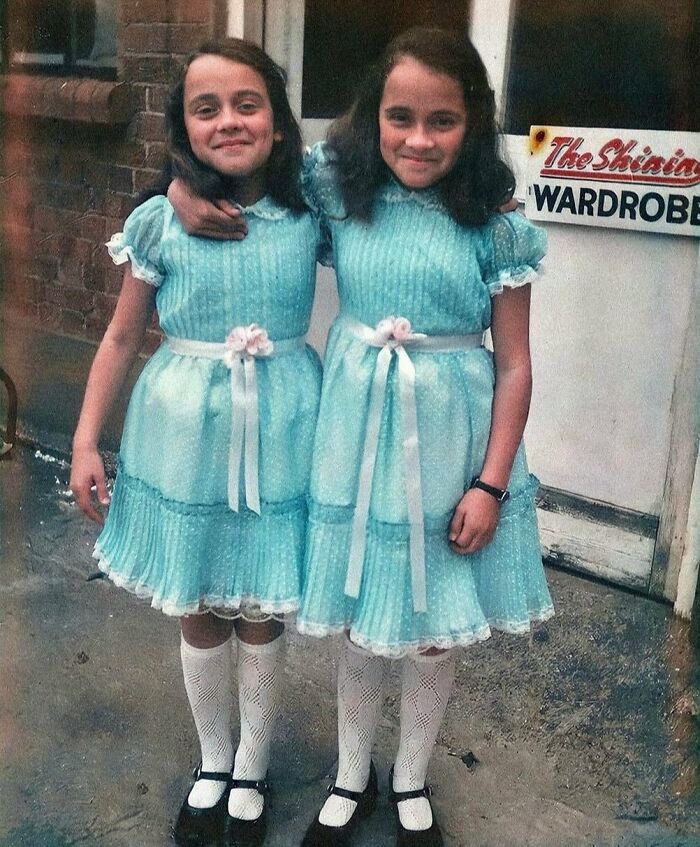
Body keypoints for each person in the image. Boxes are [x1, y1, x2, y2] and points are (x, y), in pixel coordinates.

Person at [169, 27, 554, 847]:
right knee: (361, 615)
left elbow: (516, 366)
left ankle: (410, 776)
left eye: (442, 121)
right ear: (372, 118)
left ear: (474, 122)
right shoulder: (339, 189)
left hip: (452, 443)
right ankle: (351, 774)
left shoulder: (496, 225)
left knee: (434, 620)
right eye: (400, 116)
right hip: (358, 433)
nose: (419, 138)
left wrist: (489, 482)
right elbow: (247, 160)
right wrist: (176, 188)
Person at [70, 39, 322, 847]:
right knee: (201, 602)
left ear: (279, 124)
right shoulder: (158, 220)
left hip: (281, 422)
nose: (228, 121)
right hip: (183, 429)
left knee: (259, 604)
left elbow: (394, 183)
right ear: (182, 128)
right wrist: (84, 441)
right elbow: (118, 337)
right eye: (205, 108)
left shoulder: (310, 207)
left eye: (247, 103)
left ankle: (253, 759)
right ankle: (214, 757)